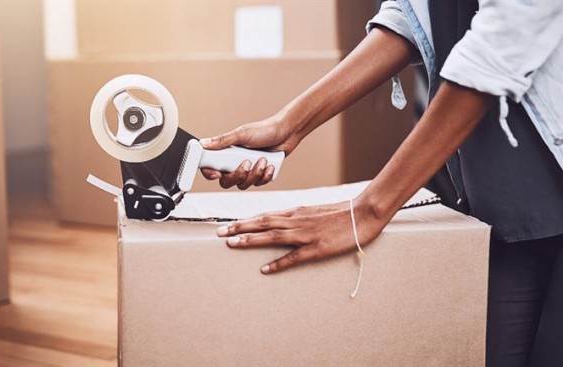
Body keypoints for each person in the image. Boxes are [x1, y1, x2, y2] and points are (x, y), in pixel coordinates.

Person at [199, 1, 563, 366]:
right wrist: (289, 124)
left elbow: (507, 33)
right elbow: (411, 14)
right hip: (506, 205)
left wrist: (369, 209)